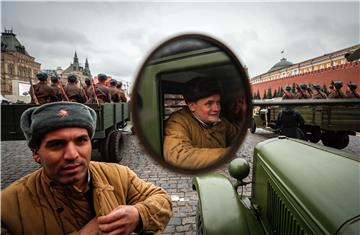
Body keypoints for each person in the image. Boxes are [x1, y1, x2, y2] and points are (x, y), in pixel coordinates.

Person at [1, 102, 172, 235]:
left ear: (91, 143)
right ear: (37, 153)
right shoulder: (7, 208)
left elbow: (161, 200)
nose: (72, 154)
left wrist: (138, 215)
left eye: (81, 141)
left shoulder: (118, 174)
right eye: (57, 144)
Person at [163, 77, 239, 170]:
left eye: (218, 102)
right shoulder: (178, 121)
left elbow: (236, 137)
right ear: (192, 106)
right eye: (209, 103)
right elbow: (178, 156)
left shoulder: (222, 122)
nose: (217, 108)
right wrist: (228, 154)